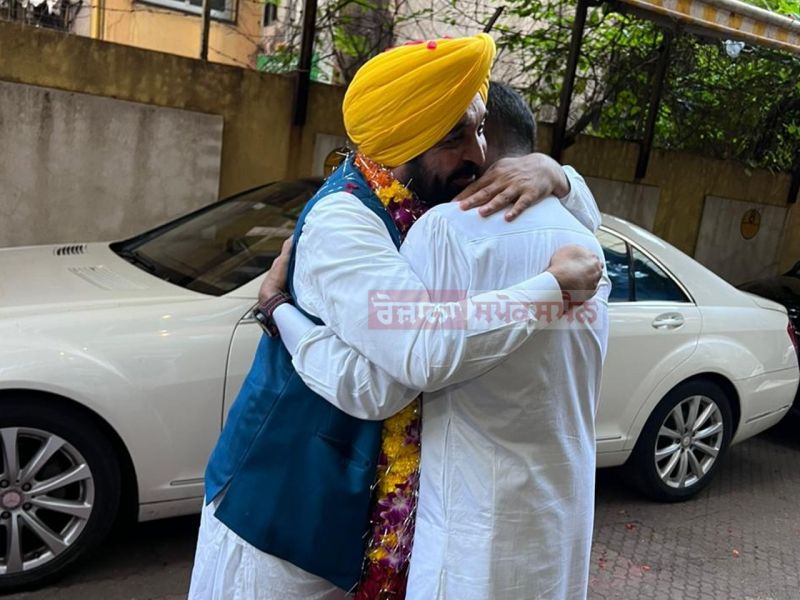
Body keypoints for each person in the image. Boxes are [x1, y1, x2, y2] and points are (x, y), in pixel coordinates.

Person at [189, 35, 603, 600]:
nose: (481, 156)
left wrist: (557, 174)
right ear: (401, 141)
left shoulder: (429, 208)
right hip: (283, 508)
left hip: (352, 520)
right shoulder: (345, 224)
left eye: (481, 129)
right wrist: (553, 288)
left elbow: (577, 217)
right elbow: (403, 370)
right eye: (456, 137)